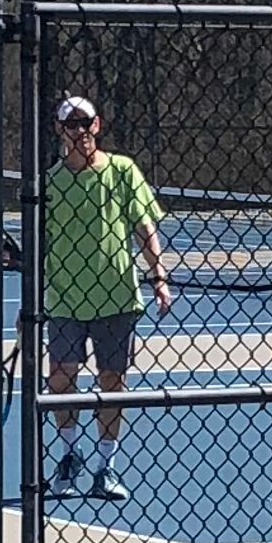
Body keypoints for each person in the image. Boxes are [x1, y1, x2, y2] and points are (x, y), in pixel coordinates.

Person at [36, 89, 168, 496]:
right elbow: (40, 242)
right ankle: (69, 455)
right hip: (62, 299)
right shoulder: (49, 184)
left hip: (116, 297)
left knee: (113, 380)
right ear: (59, 129)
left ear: (96, 125)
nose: (79, 130)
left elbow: (144, 226)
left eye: (84, 122)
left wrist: (158, 275)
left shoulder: (123, 172)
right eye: (70, 123)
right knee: (62, 379)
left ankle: (106, 466)